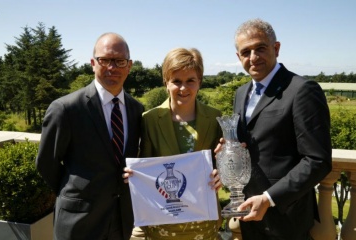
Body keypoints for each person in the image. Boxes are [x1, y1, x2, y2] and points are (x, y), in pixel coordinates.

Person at [225, 18, 332, 239]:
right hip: (248, 212)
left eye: (260, 48)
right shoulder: (240, 93)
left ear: (276, 48)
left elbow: (317, 160)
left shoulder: (302, 90)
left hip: (286, 216)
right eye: (246, 52)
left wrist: (269, 198)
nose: (253, 58)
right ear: (238, 57)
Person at [36, 33, 144, 240]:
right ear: (93, 63)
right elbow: (45, 162)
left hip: (121, 220)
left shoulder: (136, 109)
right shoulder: (66, 109)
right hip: (79, 221)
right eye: (105, 60)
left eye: (119, 61)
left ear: (129, 66)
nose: (112, 67)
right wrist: (76, 190)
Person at [124, 47, 223, 239]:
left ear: (200, 82)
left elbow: (220, 163)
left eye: (190, 81)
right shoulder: (149, 119)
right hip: (163, 222)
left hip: (204, 222)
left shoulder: (215, 118)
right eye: (176, 81)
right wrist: (135, 175)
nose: (183, 88)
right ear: (166, 83)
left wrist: (222, 175)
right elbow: (145, 164)